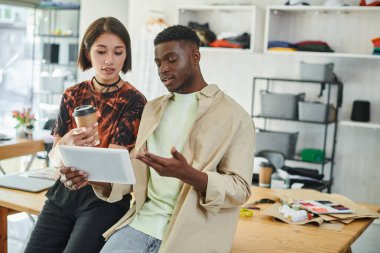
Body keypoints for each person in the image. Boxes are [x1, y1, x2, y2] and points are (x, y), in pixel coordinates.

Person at [71, 24, 255, 253]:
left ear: (195, 56)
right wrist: (92, 176)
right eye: (158, 63)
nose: (163, 69)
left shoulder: (236, 117)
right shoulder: (152, 109)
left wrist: (189, 175)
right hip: (140, 226)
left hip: (192, 237)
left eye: (171, 59)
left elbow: (241, 189)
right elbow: (134, 173)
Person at [25, 17, 146, 253]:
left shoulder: (135, 101)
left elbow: (115, 167)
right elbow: (55, 156)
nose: (109, 60)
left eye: (118, 52)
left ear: (126, 55)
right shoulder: (73, 94)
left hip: (103, 201)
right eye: (101, 51)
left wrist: (71, 160)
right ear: (88, 52)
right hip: (62, 193)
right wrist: (65, 145)